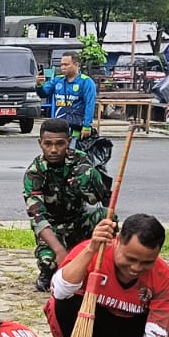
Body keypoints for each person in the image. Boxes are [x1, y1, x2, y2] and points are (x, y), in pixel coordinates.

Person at [23, 119, 107, 292]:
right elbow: (38, 218)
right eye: (48, 144)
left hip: (78, 222)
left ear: (68, 142)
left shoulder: (80, 161)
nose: (54, 149)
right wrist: (60, 251)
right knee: (49, 261)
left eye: (60, 144)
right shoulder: (34, 173)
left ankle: (107, 266)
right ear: (40, 144)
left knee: (107, 218)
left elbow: (96, 198)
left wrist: (87, 180)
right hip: (52, 230)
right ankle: (49, 274)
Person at [38, 52, 97, 131]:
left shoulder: (86, 82)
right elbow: (43, 93)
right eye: (61, 65)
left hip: (76, 126)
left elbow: (90, 104)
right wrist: (39, 85)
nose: (63, 67)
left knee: (73, 143)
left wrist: (87, 126)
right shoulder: (57, 79)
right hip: (59, 126)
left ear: (76, 65)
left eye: (66, 65)